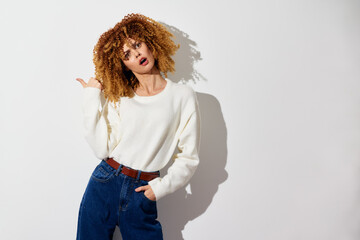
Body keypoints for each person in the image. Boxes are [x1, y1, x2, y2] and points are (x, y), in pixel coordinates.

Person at [75, 13, 201, 240]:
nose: (137, 54)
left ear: (150, 43)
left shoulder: (182, 96)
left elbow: (189, 158)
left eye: (137, 45)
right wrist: (91, 98)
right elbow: (101, 149)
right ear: (123, 65)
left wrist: (159, 189)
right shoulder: (121, 97)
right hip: (104, 182)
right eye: (127, 54)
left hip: (142, 190)